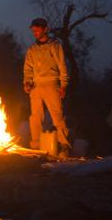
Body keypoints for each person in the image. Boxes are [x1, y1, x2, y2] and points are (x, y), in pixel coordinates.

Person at [23, 17, 72, 157]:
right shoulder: (32, 49)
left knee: (57, 117)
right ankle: (36, 145)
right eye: (33, 31)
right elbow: (27, 69)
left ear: (45, 29)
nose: (35, 33)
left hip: (51, 84)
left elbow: (62, 66)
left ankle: (64, 146)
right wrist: (27, 82)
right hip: (36, 86)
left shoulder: (55, 45)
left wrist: (63, 85)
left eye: (37, 30)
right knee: (35, 117)